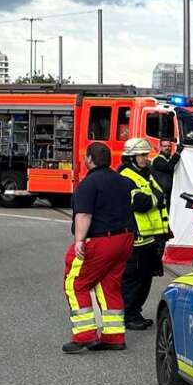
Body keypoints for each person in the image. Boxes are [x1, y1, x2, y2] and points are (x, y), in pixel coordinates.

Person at [65, 141, 135, 354]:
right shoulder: (122, 180)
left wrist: (79, 240)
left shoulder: (89, 183)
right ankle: (114, 336)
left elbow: (84, 214)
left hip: (101, 240)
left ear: (89, 159)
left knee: (75, 284)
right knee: (109, 286)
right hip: (125, 238)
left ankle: (84, 335)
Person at [118, 137, 171, 332]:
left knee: (146, 277)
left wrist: (155, 198)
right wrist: (156, 197)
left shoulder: (146, 173)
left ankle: (135, 312)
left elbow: (159, 193)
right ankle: (128, 315)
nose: (145, 158)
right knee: (134, 278)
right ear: (131, 156)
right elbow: (140, 203)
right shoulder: (125, 176)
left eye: (145, 155)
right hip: (137, 238)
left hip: (152, 237)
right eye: (141, 155)